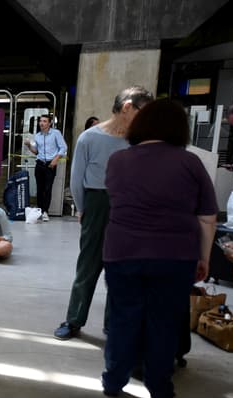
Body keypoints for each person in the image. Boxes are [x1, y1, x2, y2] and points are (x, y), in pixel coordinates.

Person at [100, 99, 217, 398]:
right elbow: (207, 218)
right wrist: (203, 257)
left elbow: (117, 201)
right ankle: (159, 387)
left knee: (123, 317)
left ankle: (114, 380)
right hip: (175, 255)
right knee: (163, 322)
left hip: (122, 251)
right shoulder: (190, 162)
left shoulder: (118, 160)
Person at [53, 86, 154, 340]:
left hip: (129, 207)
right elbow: (76, 179)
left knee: (120, 269)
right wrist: (83, 208)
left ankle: (113, 325)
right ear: (128, 107)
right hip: (96, 203)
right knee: (88, 265)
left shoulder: (140, 141)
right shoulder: (90, 137)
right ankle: (74, 319)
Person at [24, 114, 67, 222]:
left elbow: (63, 147)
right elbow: (37, 151)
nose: (41, 123)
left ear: (49, 123)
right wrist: (29, 146)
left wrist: (56, 159)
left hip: (50, 164)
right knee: (39, 189)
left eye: (44, 121)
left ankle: (45, 211)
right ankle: (39, 211)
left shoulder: (56, 134)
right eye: (40, 121)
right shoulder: (37, 135)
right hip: (39, 163)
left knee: (47, 189)